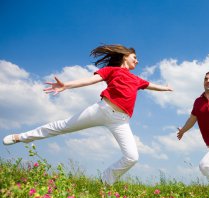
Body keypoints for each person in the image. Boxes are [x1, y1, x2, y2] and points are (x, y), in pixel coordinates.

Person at [2, 44, 172, 185]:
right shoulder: (111, 70)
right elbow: (90, 80)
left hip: (121, 121)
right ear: (124, 56)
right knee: (62, 126)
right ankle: (21, 137)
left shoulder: (136, 79)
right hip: (102, 109)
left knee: (132, 157)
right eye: (134, 56)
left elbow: (151, 85)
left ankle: (106, 180)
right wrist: (66, 85)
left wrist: (166, 88)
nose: (138, 60)